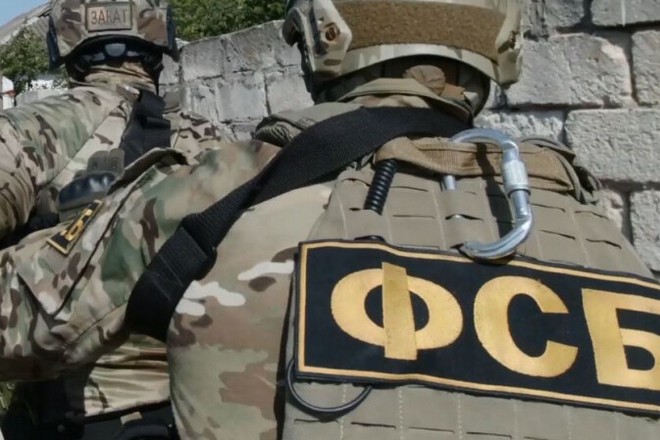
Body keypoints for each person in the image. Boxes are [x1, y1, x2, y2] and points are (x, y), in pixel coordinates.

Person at [0, 0, 658, 439]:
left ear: (323, 35)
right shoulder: (581, 221)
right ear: (503, 45)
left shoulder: (233, 181)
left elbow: (24, 318)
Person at [0, 0, 225, 438]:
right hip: (194, 410)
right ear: (159, 40)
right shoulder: (214, 141)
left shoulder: (25, 132)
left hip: (65, 417)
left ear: (64, 43)